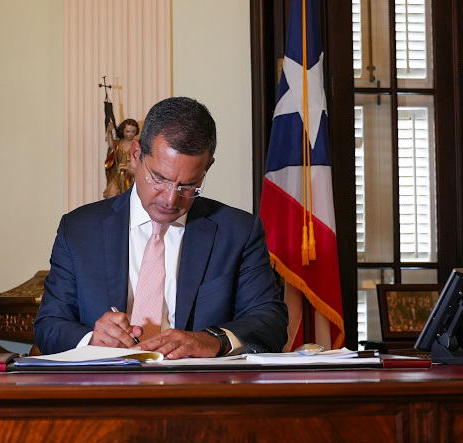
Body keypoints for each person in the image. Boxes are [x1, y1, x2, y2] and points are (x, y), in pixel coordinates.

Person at [35, 97, 288, 358]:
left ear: (207, 167)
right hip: (106, 390)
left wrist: (211, 340)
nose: (170, 199)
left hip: (199, 391)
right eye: (160, 178)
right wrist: (91, 340)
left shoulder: (238, 232)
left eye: (188, 186)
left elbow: (271, 322)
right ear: (135, 156)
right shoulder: (78, 230)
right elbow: (49, 326)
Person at [103, 118, 140, 198]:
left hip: (131, 176)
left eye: (133, 132)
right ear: (123, 131)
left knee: (129, 196)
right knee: (111, 193)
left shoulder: (137, 145)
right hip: (118, 175)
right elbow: (111, 144)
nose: (130, 134)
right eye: (128, 131)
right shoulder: (118, 143)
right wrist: (109, 131)